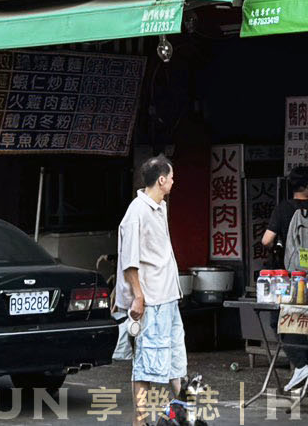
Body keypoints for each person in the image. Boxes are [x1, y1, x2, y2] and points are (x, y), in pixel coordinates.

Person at [116, 155, 185, 426]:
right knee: (147, 362)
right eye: (171, 177)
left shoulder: (160, 207)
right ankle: (140, 421)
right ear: (161, 180)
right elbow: (129, 261)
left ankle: (186, 413)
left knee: (175, 358)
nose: (173, 182)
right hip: (151, 298)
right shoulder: (137, 212)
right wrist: (138, 296)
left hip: (168, 296)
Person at [261, 165, 308, 393]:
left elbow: (266, 240)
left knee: (279, 320)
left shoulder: (283, 209)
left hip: (287, 278)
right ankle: (306, 371)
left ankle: (301, 366)